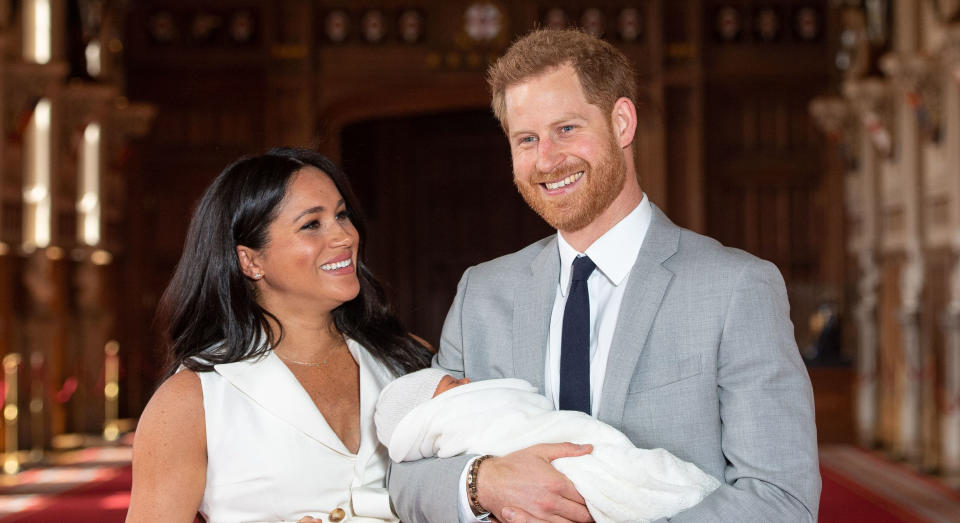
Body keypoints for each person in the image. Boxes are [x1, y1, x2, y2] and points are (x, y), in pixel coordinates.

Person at [388, 28, 821, 522]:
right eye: (526, 139)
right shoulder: (481, 295)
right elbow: (408, 474)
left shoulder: (736, 289)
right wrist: (482, 482)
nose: (547, 159)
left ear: (621, 123)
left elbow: (780, 497)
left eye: (566, 129)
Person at [127, 148, 432, 522]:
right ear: (251, 261)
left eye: (341, 215)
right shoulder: (192, 399)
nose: (344, 236)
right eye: (311, 224)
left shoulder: (407, 358)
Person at [374, 369, 721, 523]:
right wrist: (481, 482)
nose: (466, 381)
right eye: (453, 382)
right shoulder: (475, 291)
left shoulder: (742, 281)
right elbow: (408, 479)